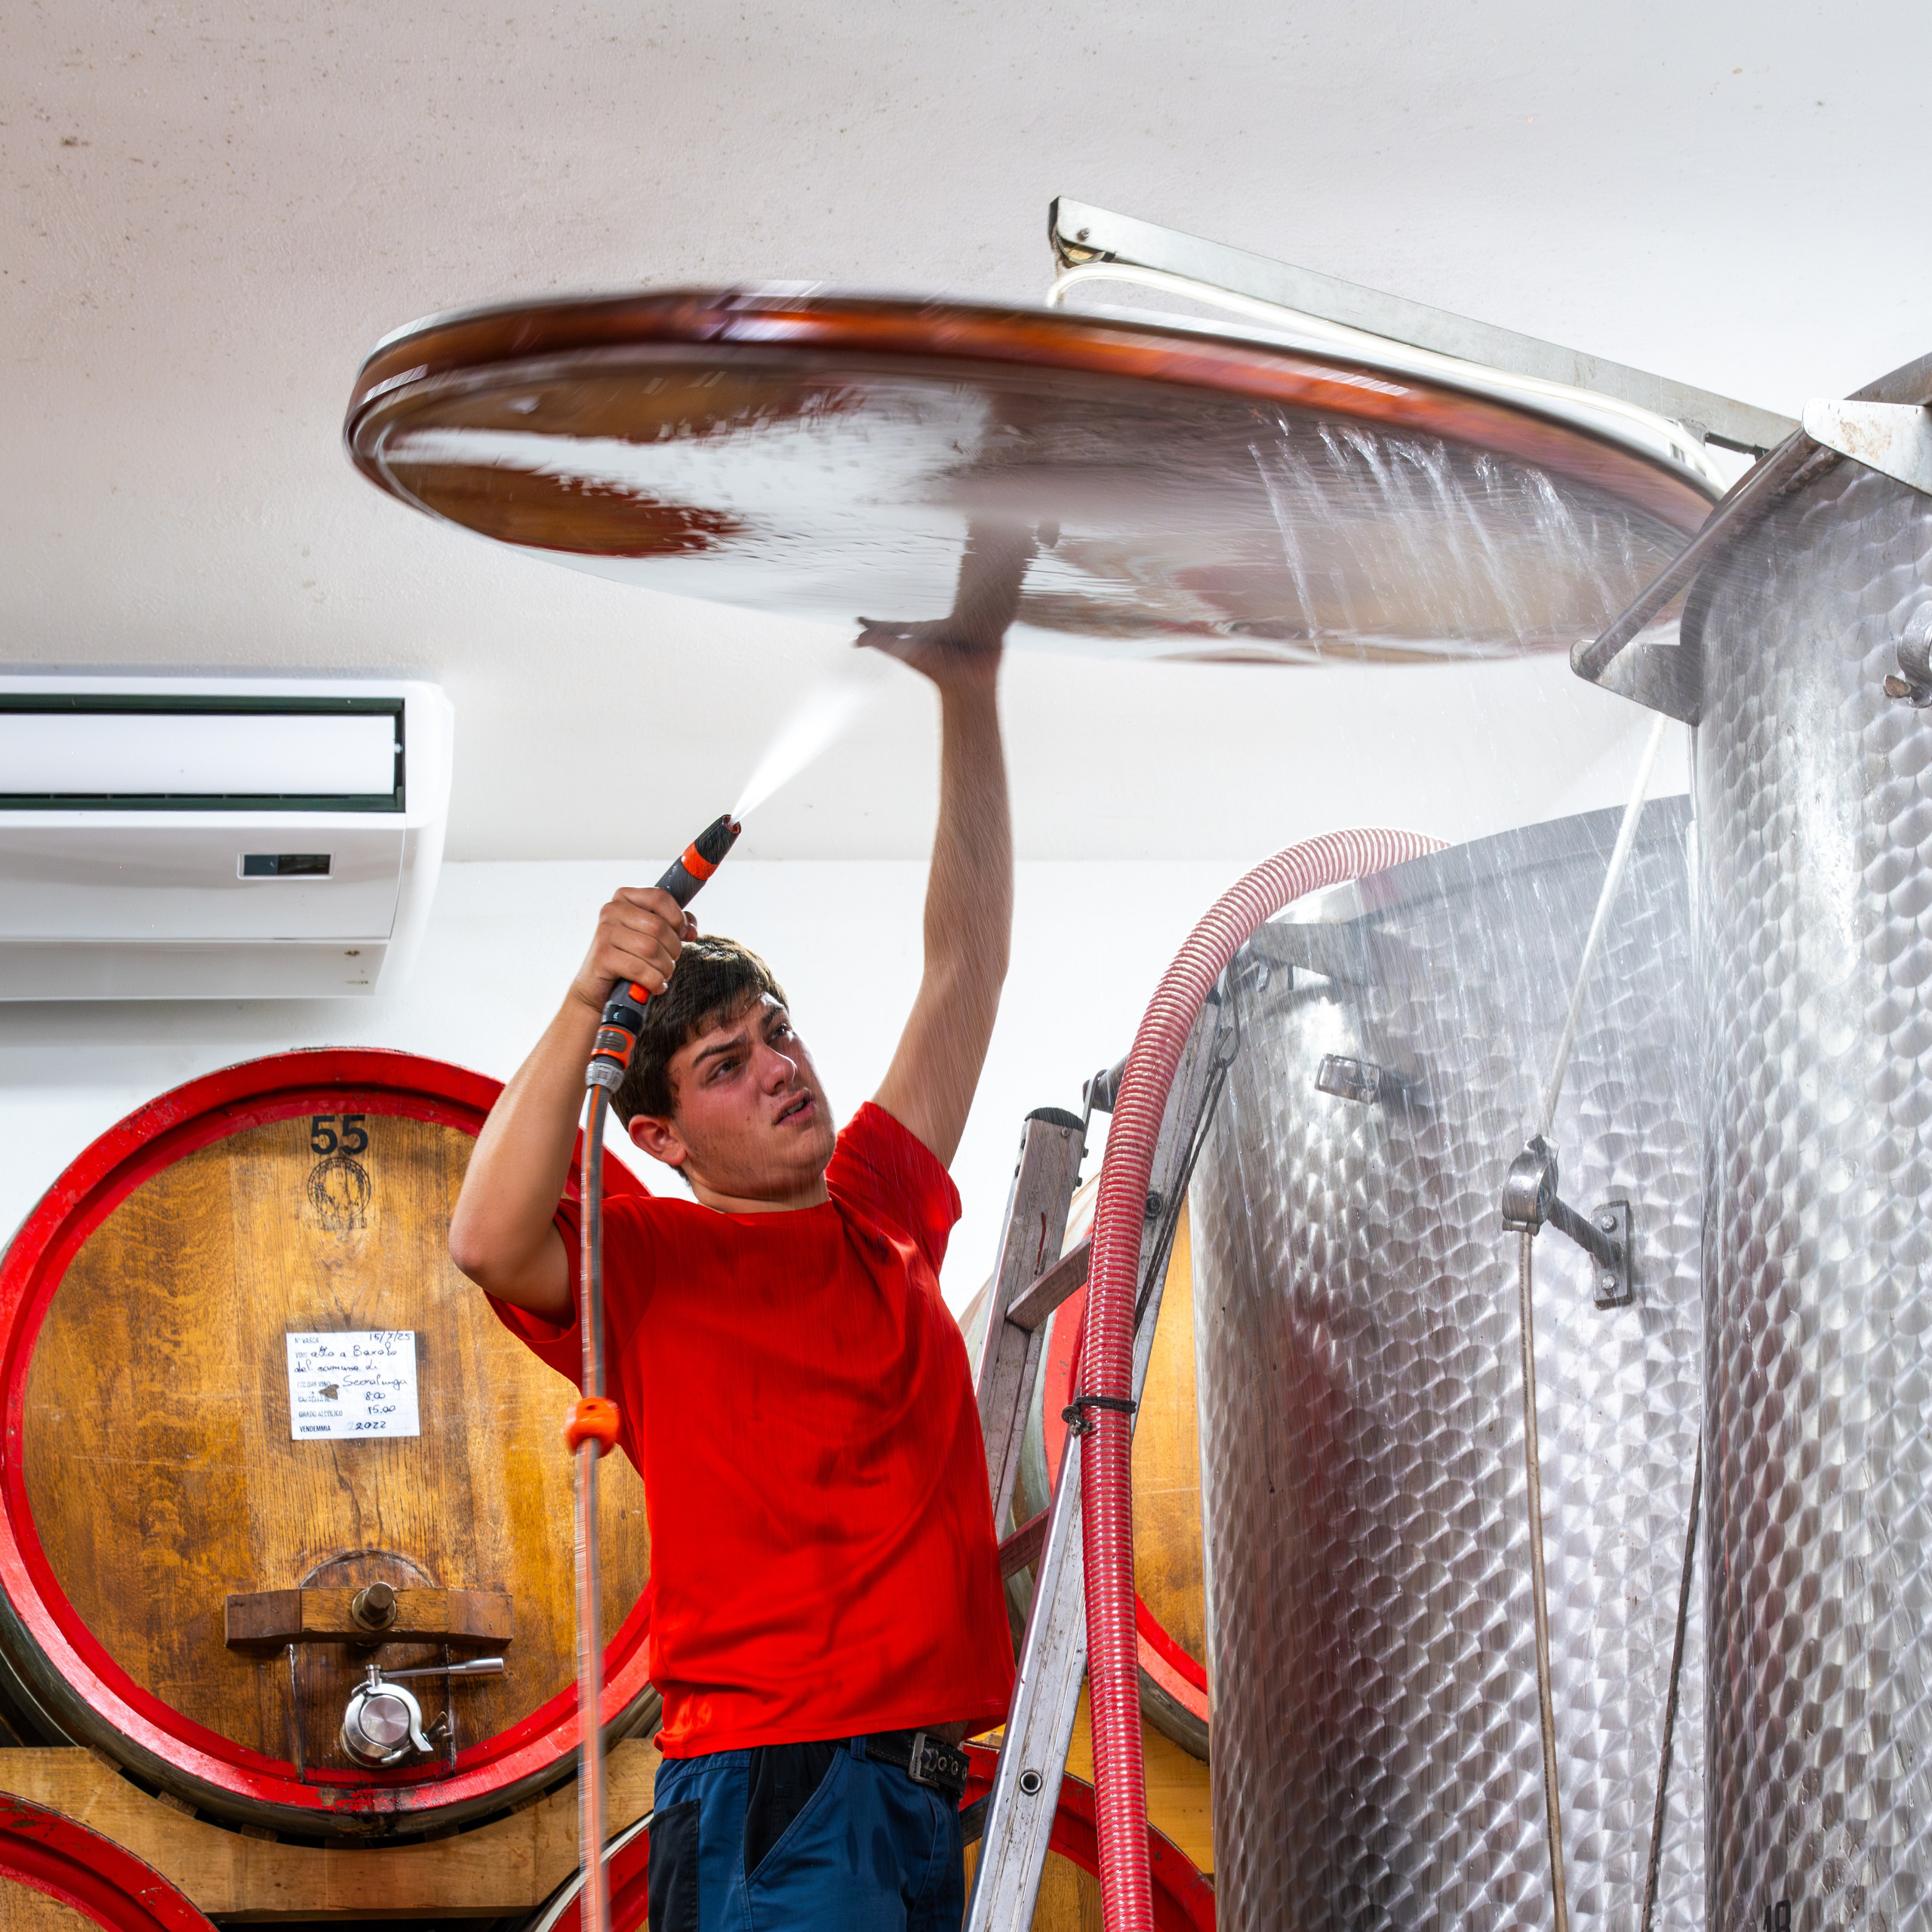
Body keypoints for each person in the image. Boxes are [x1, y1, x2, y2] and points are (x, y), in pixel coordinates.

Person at [448, 603, 1017, 1932]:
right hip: (783, 1792)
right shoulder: (644, 1259)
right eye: (727, 1066)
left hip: (923, 1790)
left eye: (777, 1033)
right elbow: (483, 1237)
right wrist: (590, 993)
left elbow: (965, 966)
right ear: (656, 1136)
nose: (782, 1068)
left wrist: (968, 696)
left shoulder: (878, 1206)